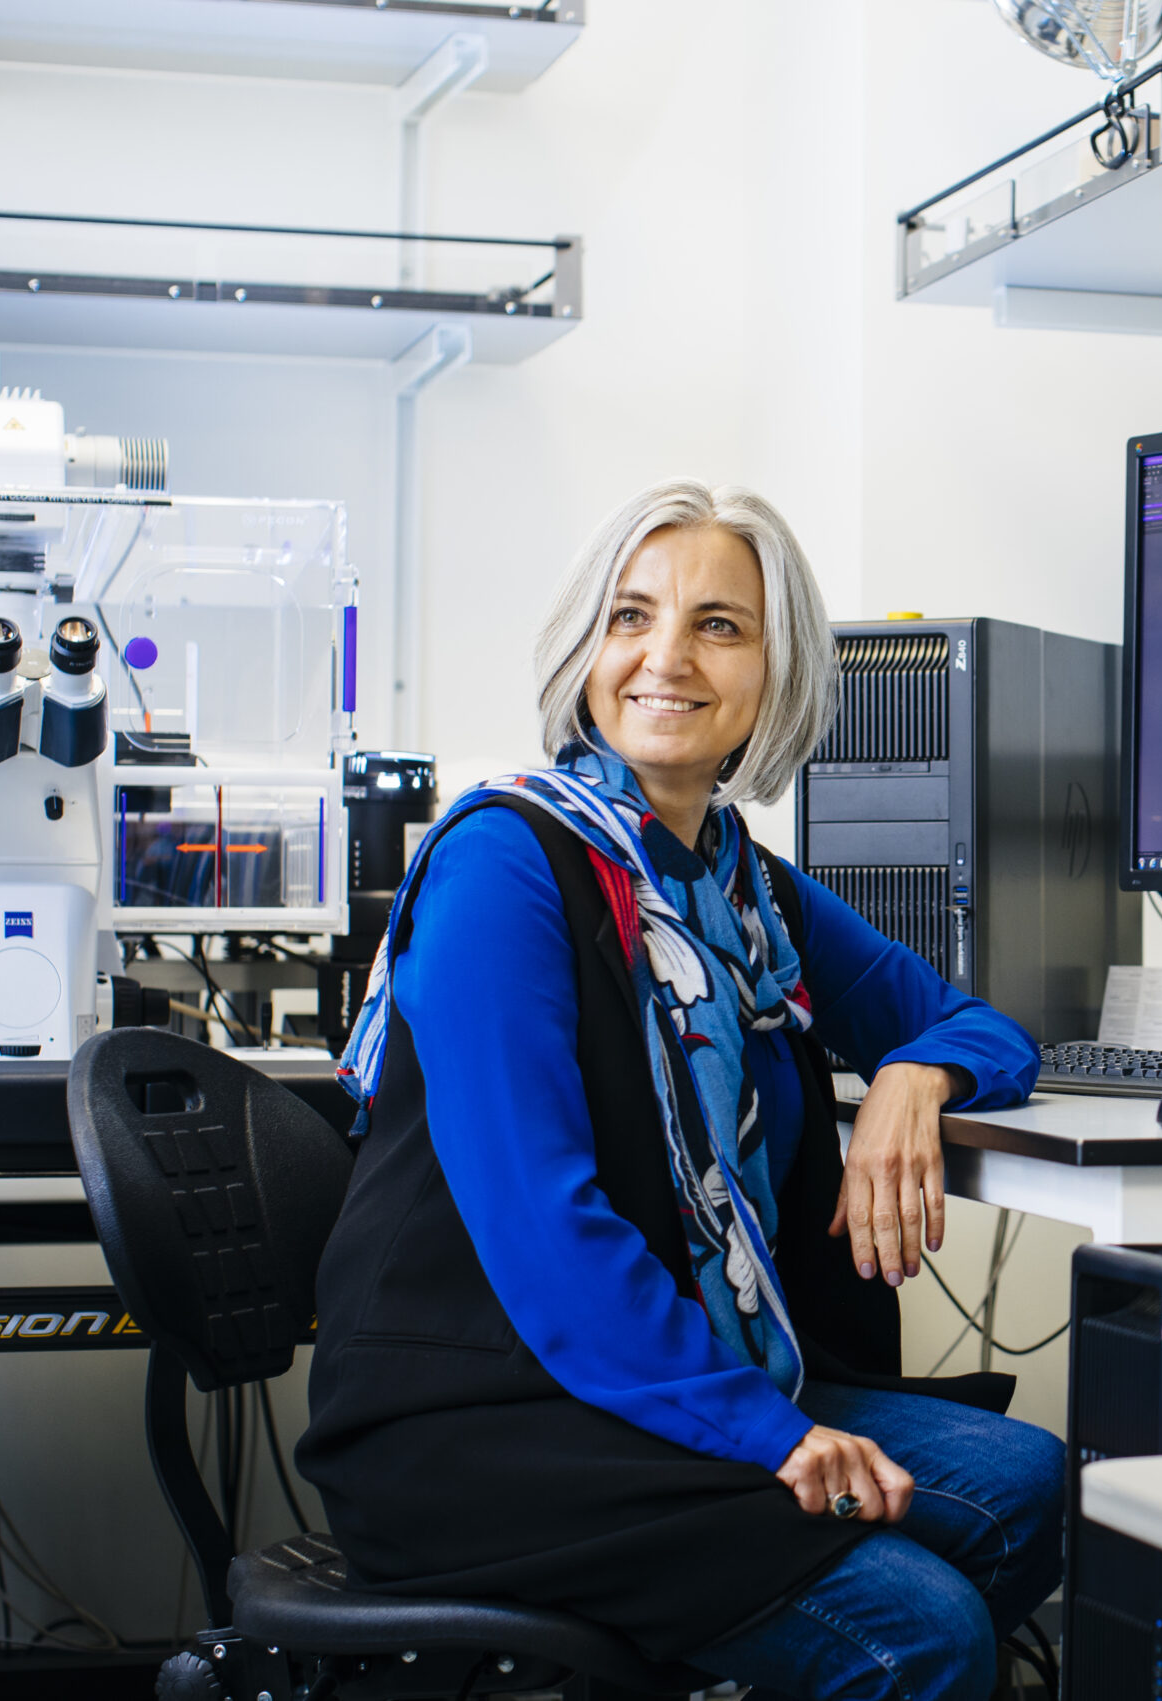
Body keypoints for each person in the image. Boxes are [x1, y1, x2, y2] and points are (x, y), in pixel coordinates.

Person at [298, 479, 1063, 1701]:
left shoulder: (741, 889)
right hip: (489, 1423)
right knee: (919, 1631)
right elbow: (549, 1230)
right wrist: (777, 1437)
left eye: (719, 624)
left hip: (675, 1379)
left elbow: (981, 1027)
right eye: (630, 616)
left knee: (1031, 1492)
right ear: (584, 649)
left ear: (777, 669)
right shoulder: (507, 863)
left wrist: (917, 1073)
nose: (666, 658)